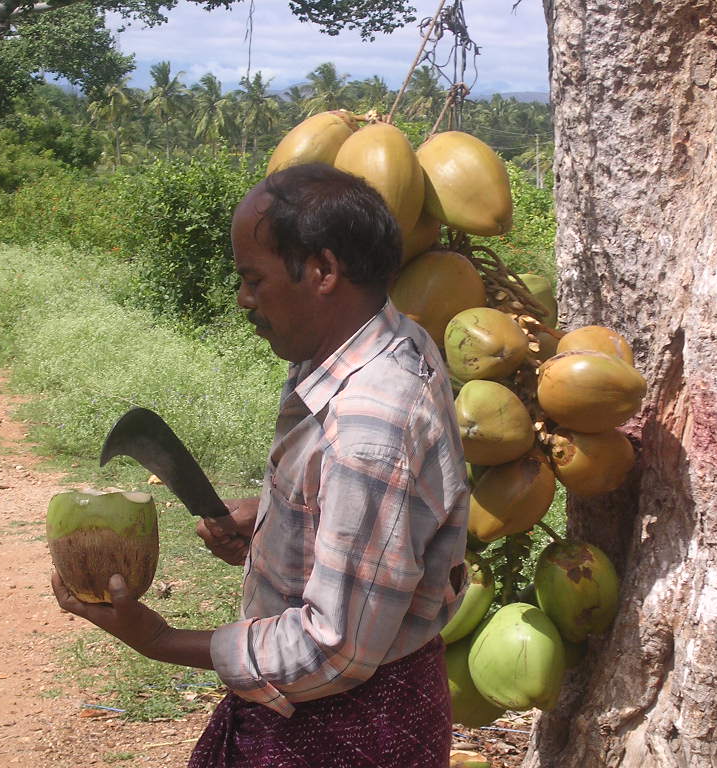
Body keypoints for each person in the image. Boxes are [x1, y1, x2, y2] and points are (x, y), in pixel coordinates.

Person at [52, 163, 470, 768]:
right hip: (333, 705)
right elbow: (370, 522)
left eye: (253, 279)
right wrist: (279, 523)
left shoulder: (371, 423)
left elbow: (337, 648)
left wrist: (161, 641)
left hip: (344, 727)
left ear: (323, 271)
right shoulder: (376, 340)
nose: (244, 299)